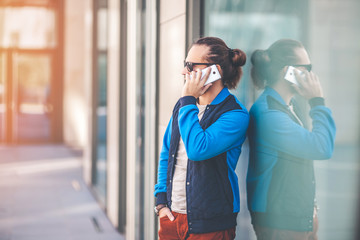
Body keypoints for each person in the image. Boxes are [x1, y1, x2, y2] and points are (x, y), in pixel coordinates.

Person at [154, 37, 249, 239]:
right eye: (184, 65)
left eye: (190, 66)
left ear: (215, 70)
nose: (183, 72)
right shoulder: (184, 106)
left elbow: (198, 149)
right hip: (171, 218)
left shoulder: (235, 115)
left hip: (210, 224)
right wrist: (161, 202)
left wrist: (187, 99)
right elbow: (167, 153)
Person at [246, 39, 336, 240]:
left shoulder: (287, 106)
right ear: (287, 71)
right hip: (281, 222)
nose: (311, 75)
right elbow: (322, 147)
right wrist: (317, 101)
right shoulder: (269, 114)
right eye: (307, 68)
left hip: (295, 218)